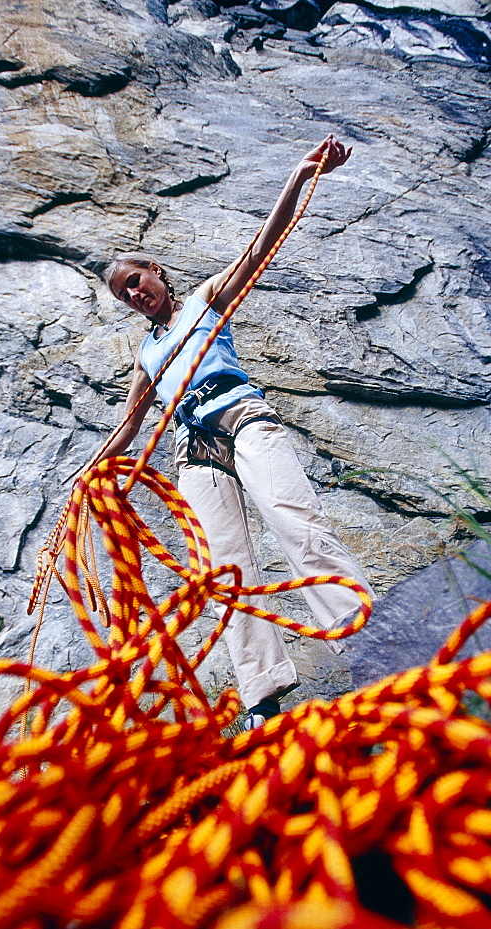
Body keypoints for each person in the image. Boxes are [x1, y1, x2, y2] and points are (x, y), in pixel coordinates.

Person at [101, 135, 375, 729]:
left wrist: (298, 177)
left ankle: (368, 645)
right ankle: (262, 694)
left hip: (241, 415)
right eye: (124, 293)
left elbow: (259, 249)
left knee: (296, 523)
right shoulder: (146, 359)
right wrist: (92, 477)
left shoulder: (204, 302)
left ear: (157, 274)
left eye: (136, 279)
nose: (134, 292)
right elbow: (127, 428)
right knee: (222, 569)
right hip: (191, 446)